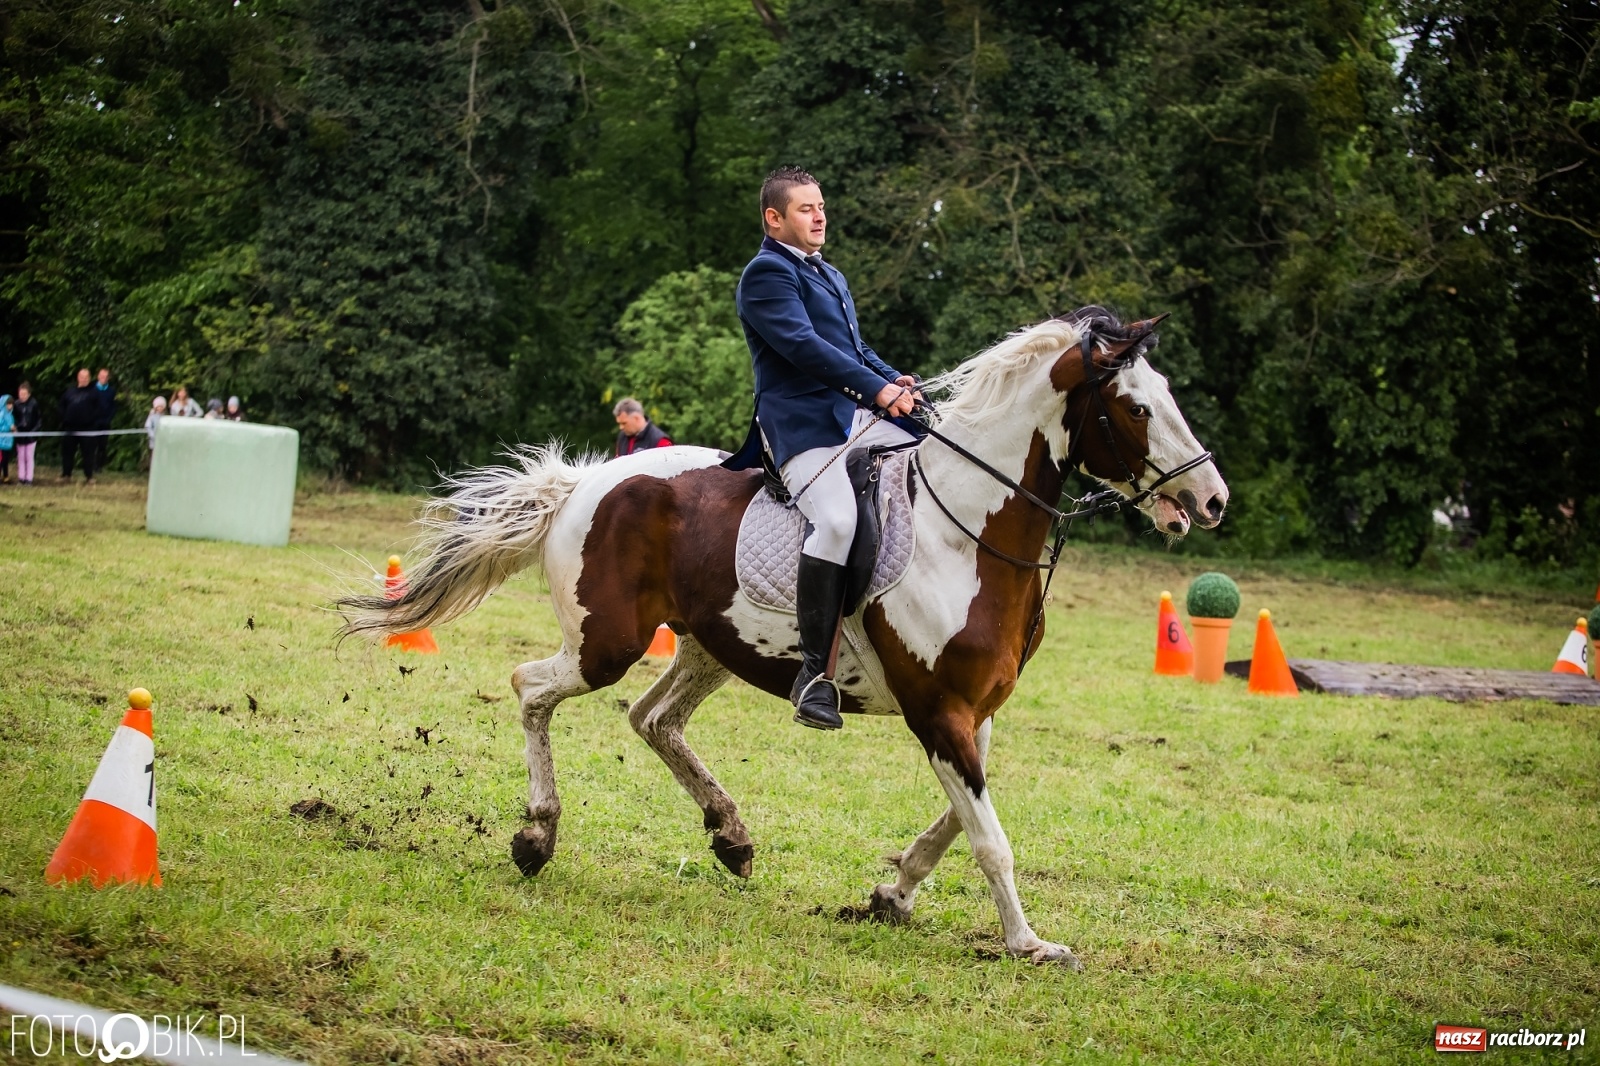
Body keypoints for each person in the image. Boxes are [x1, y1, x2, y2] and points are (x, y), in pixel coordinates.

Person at [724, 166, 924, 731]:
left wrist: (895, 382)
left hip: (855, 414)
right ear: (775, 218)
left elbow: (855, 348)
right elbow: (803, 346)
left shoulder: (828, 274)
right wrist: (876, 389)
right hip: (801, 426)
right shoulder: (765, 275)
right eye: (806, 208)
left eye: (821, 207)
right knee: (836, 521)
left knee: (935, 451)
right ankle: (814, 673)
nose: (819, 216)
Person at [60, 368, 100, 483]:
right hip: (70, 427)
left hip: (87, 428)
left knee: (88, 453)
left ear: (90, 378)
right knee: (67, 452)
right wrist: (64, 419)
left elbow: (98, 409)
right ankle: (66, 474)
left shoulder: (94, 392)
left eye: (86, 377)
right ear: (78, 378)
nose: (84, 379)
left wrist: (91, 420)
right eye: (82, 377)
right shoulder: (69, 391)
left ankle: (89, 476)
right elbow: (61, 406)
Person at [13, 382, 39, 485]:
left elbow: (38, 420)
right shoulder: (16, 404)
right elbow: (13, 419)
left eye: (24, 394)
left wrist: (34, 432)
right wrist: (15, 428)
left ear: (29, 394)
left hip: (31, 435)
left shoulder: (34, 404)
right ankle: (21, 478)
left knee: (29, 456)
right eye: (20, 394)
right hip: (20, 435)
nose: (22, 396)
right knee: (20, 457)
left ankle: (29, 479)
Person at [91, 367, 116, 472]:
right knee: (92, 444)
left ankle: (99, 466)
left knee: (102, 445)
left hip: (105, 422)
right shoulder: (92, 389)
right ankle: (90, 465)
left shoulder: (111, 391)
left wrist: (109, 418)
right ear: (98, 377)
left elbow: (113, 406)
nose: (104, 378)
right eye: (102, 376)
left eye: (106, 377)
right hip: (93, 422)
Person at [143, 396, 166, 470]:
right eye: (158, 406)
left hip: (163, 440)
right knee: (154, 456)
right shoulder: (152, 416)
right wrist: (153, 435)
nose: (160, 408)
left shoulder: (165, 416)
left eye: (161, 406)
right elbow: (148, 426)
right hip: (154, 440)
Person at [0, 394, 13, 484]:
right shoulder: (1, 415)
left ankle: (6, 477)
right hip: (1, 442)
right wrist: (9, 428)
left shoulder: (10, 415)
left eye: (11, 404)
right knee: (1, 460)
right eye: (8, 404)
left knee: (6, 460)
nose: (10, 406)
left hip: (8, 442)